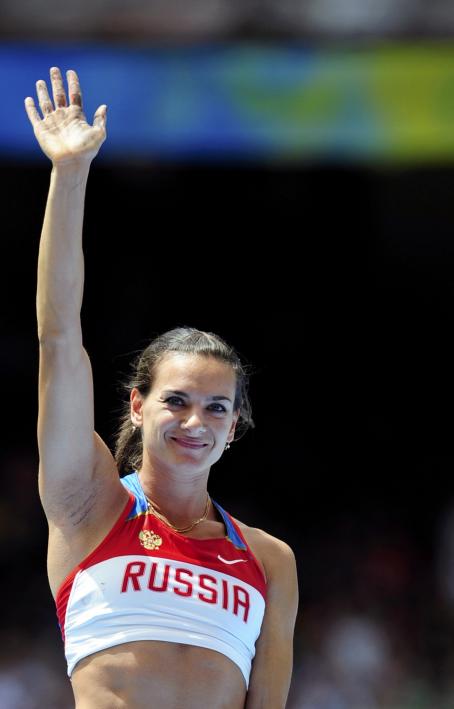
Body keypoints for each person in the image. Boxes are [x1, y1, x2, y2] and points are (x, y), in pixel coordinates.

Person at [25, 66, 299, 709]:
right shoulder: (85, 504)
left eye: (216, 408)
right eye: (175, 399)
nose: (193, 421)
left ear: (234, 429)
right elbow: (59, 338)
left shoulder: (270, 561)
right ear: (137, 405)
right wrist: (70, 175)